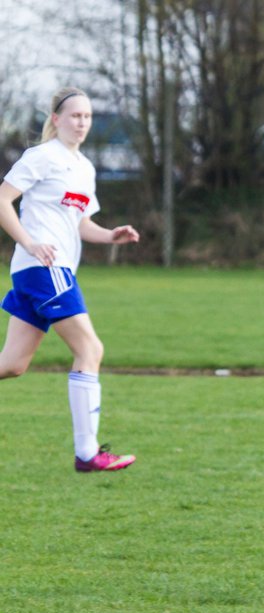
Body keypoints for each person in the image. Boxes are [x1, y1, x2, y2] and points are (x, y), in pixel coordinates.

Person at [0, 86, 139, 472]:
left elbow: (81, 224)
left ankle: (87, 454)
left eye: (88, 117)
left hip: (50, 272)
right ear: (57, 119)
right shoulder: (42, 157)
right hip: (45, 270)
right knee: (91, 349)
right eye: (75, 116)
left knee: (11, 365)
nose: (82, 123)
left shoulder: (84, 167)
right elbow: (2, 200)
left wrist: (111, 235)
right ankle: (87, 454)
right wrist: (29, 242)